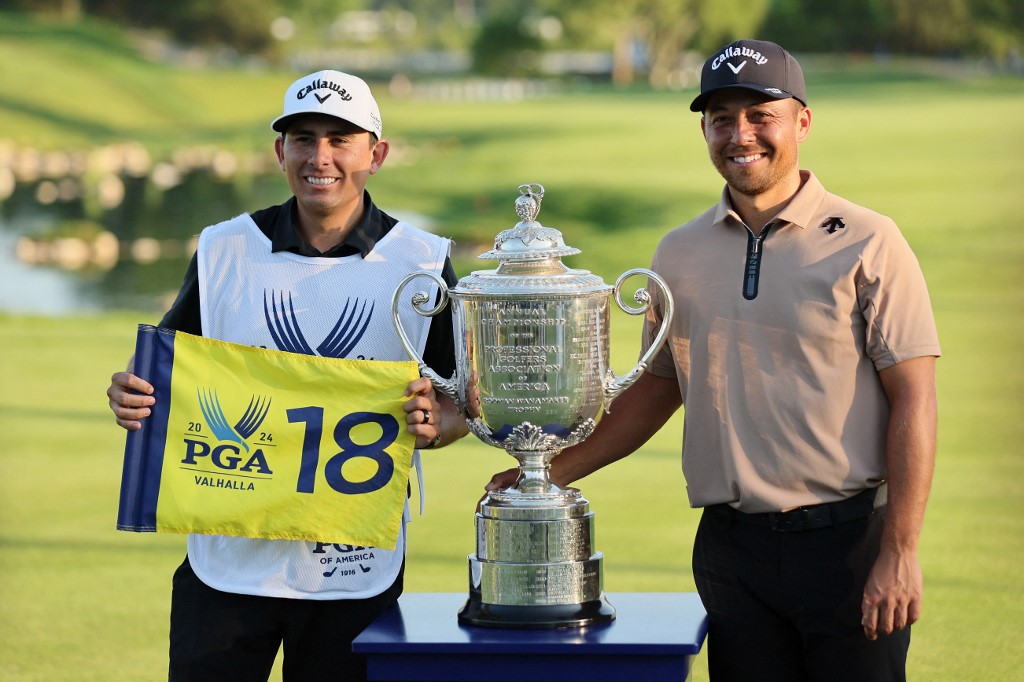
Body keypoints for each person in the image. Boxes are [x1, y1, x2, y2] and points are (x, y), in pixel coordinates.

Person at [487, 39, 939, 681]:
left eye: (761, 115)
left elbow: (915, 397)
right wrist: (547, 474)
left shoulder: (869, 239)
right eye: (721, 118)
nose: (740, 134)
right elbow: (654, 390)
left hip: (849, 546)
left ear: (802, 122)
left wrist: (901, 548)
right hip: (732, 550)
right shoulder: (679, 253)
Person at [106, 69, 466, 681]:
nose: (318, 157)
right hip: (227, 556)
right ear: (280, 152)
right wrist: (133, 394)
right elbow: (172, 370)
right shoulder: (224, 247)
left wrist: (443, 421)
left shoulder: (423, 261)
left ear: (375, 154)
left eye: (340, 139)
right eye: (302, 138)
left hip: (351, 563)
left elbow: (462, 399)